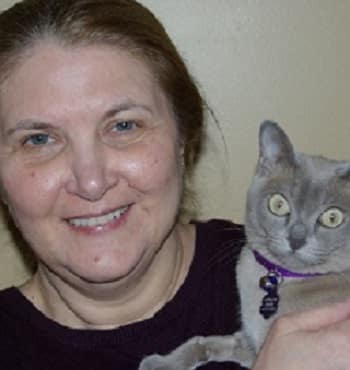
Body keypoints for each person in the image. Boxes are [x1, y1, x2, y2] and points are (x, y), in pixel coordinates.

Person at [0, 1, 350, 370]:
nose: (91, 181)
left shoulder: (332, 308)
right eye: (38, 140)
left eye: (124, 126)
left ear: (185, 139)